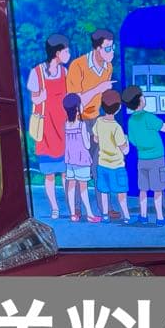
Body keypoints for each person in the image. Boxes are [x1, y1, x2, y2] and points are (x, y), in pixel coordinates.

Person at [67, 28, 118, 215]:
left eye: (113, 47)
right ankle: (76, 208)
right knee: (78, 167)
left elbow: (103, 97)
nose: (111, 52)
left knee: (100, 165)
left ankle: (106, 207)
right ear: (97, 49)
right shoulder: (78, 66)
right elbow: (74, 101)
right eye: (108, 48)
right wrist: (99, 88)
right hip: (78, 121)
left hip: (96, 120)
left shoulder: (108, 67)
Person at [121, 85, 165, 226]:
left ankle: (143, 216)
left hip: (142, 159)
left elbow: (132, 140)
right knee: (157, 190)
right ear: (140, 100)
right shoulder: (148, 117)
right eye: (142, 96)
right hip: (156, 158)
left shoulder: (131, 121)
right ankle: (159, 218)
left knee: (143, 190)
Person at [27, 33, 70, 219]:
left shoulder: (65, 73)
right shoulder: (36, 73)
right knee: (49, 173)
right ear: (57, 53)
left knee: (66, 172)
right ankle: (54, 207)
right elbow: (34, 99)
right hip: (46, 128)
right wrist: (41, 97)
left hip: (63, 127)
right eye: (66, 51)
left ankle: (71, 206)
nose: (68, 54)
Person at [93, 89, 132, 224]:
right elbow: (125, 150)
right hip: (117, 165)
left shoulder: (99, 121)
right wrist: (127, 140)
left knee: (104, 191)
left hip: (102, 164)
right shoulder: (117, 128)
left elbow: (96, 139)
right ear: (119, 108)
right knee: (121, 192)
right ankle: (126, 217)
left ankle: (105, 216)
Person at [62, 93, 99, 223]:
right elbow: (87, 145)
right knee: (83, 187)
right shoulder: (81, 125)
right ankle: (89, 214)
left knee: (71, 186)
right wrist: (89, 136)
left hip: (70, 160)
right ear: (77, 108)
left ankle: (73, 214)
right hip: (81, 159)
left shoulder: (66, 124)